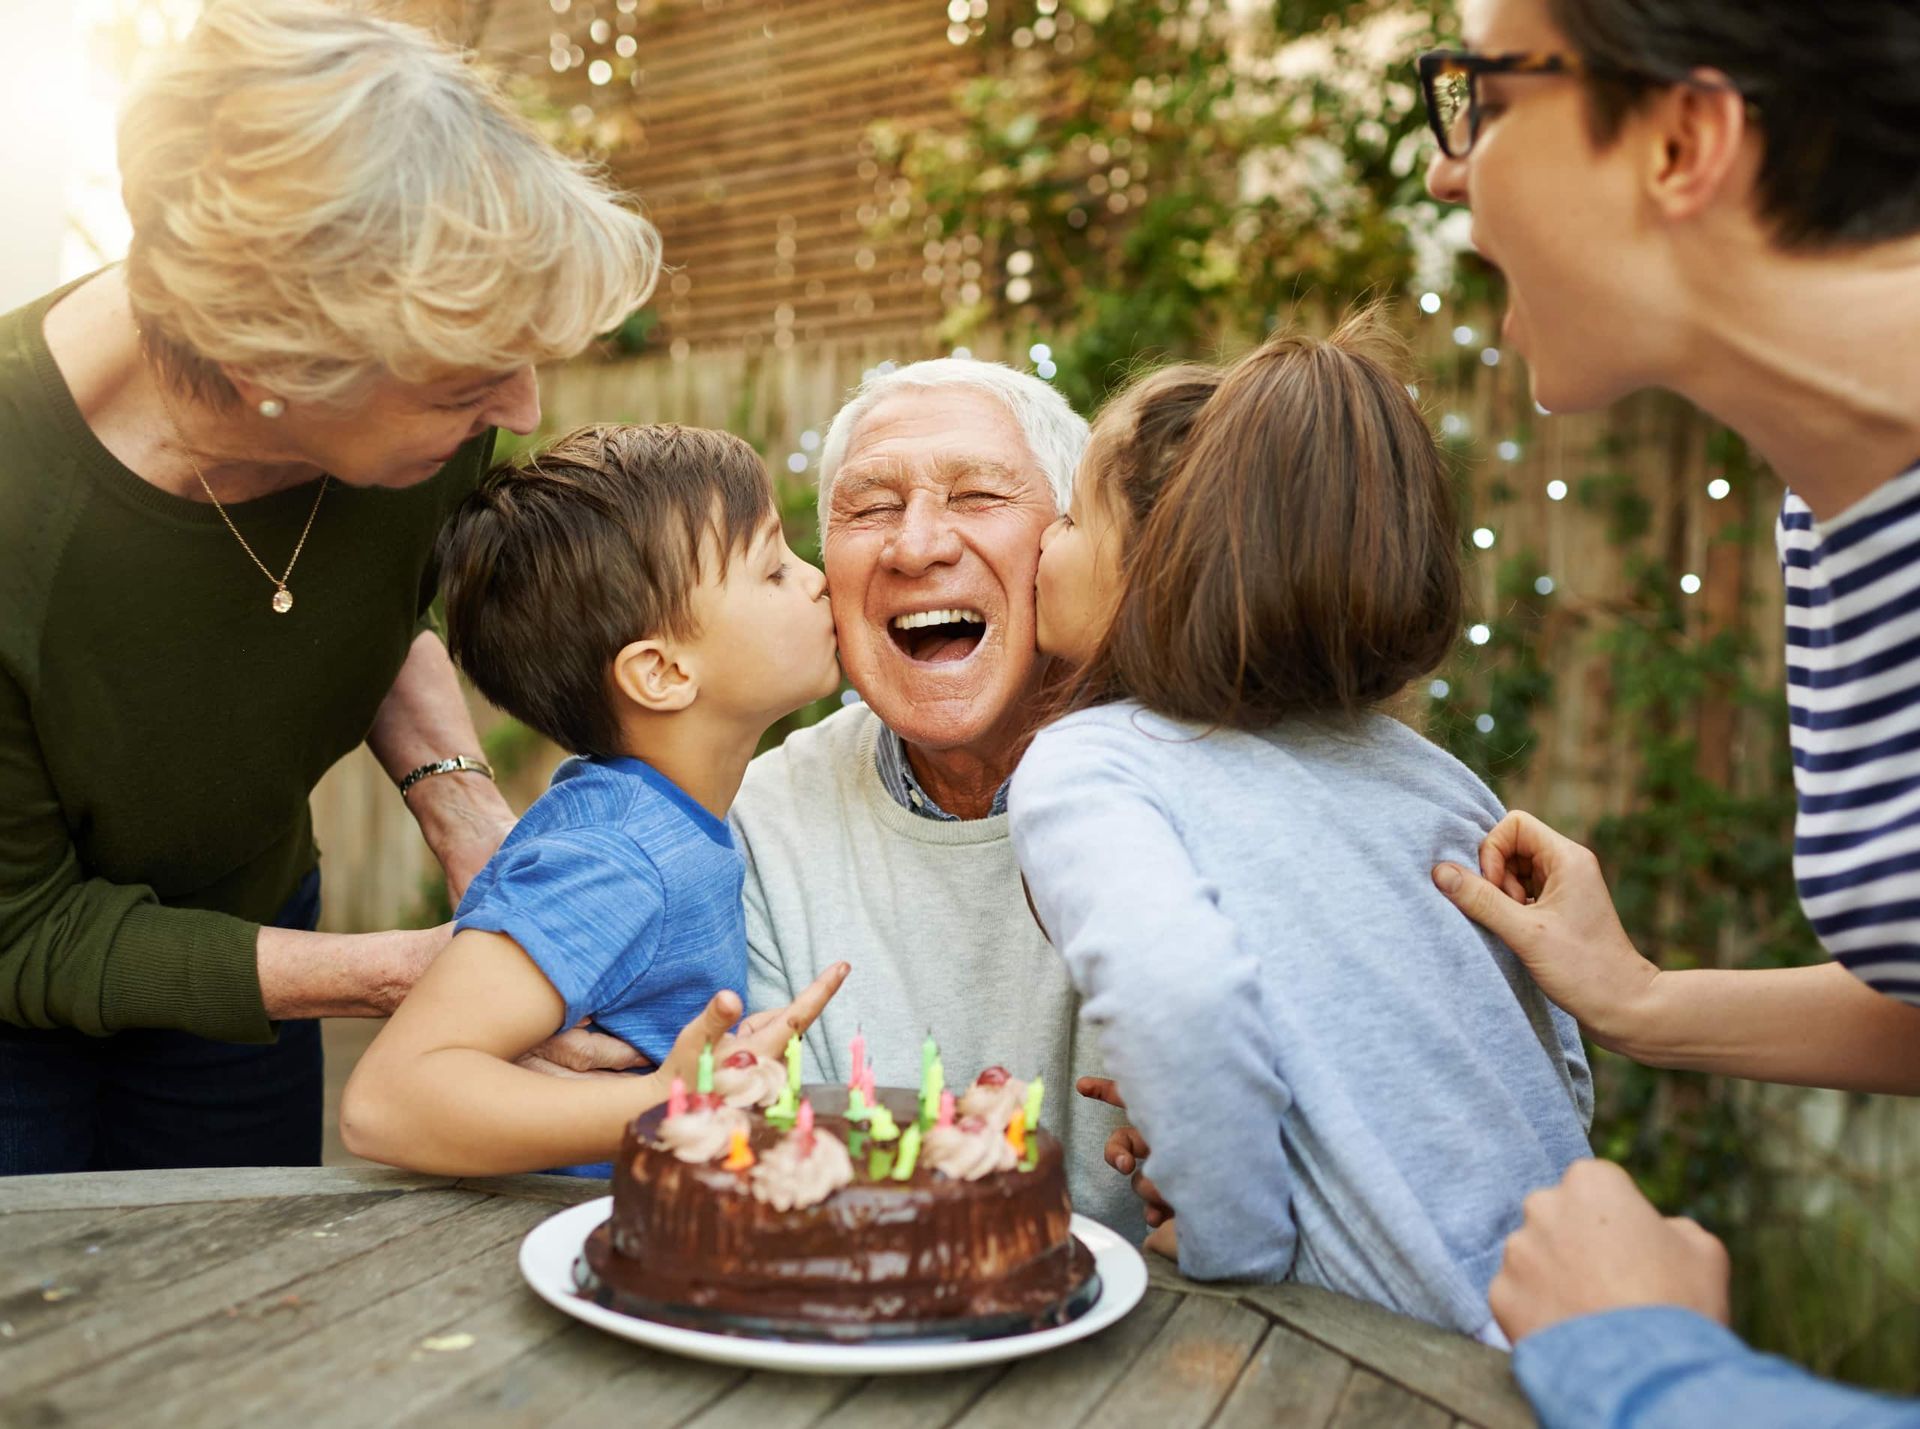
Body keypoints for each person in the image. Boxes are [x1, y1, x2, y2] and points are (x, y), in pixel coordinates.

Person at [0, 0, 662, 1174]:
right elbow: (24, 929)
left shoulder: (417, 410)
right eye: (470, 380)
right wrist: (401, 973)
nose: (518, 413)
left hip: (256, 931)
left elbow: (364, 602)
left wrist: (461, 808)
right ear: (272, 362)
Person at [1416, 0, 1920, 1420]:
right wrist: (1640, 1001)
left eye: (1489, 100)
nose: (1450, 172)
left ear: (1684, 139)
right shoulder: (1839, 513)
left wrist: (1642, 1360)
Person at [1005, 320, 1591, 1341]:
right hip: (1579, 1320)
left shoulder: (1092, 761)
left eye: (1067, 519)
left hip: (1392, 1358)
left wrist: (1232, 1231)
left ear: (1154, 560)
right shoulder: (1439, 778)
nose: (1041, 547)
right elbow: (1557, 1058)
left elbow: (1180, 994)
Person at [340, 426, 849, 1175]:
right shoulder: (615, 855)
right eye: (773, 569)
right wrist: (678, 1100)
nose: (816, 579)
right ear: (662, 672)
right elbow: (388, 1101)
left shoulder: (649, 817)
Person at [729, 358, 1143, 1234]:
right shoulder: (765, 815)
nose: (916, 545)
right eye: (871, 506)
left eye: (977, 496)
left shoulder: (1189, 785)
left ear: (1071, 541)